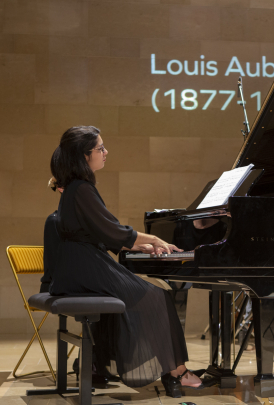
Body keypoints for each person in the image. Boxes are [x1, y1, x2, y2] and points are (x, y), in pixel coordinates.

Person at [48, 126, 201, 398]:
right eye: (100, 148)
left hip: (78, 267)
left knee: (152, 296)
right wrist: (152, 239)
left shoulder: (75, 188)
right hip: (85, 268)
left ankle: (103, 363)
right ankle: (177, 371)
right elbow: (111, 229)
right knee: (157, 297)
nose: (106, 153)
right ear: (85, 156)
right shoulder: (82, 188)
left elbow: (97, 231)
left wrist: (135, 243)